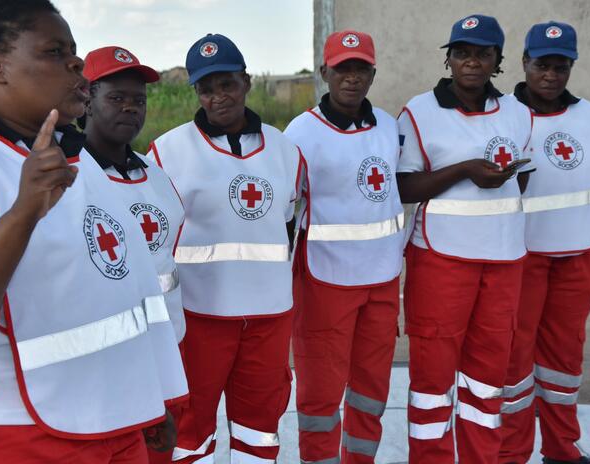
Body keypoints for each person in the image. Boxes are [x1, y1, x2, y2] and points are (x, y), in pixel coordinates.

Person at [0, 1, 184, 462]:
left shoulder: (79, 160)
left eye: (75, 51)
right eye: (53, 51)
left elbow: (125, 289)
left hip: (104, 416)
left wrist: (153, 396)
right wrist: (23, 214)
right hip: (2, 430)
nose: (75, 64)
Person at [148, 33, 304, 463]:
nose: (218, 97)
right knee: (191, 432)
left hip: (269, 318)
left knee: (260, 431)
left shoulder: (286, 150)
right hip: (200, 317)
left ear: (246, 81)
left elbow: (287, 226)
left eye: (227, 84)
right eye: (206, 88)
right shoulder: (167, 152)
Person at [396, 14, 534, 464]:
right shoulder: (419, 111)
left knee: (486, 376)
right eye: (462, 53)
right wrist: (463, 171)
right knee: (434, 379)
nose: (471, 62)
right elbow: (403, 187)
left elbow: (522, 181)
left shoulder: (517, 112)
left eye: (483, 54)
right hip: (442, 259)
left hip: (504, 258)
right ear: (449, 58)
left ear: (497, 61)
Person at [283, 30, 404, 464]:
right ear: (325, 74)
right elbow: (283, 209)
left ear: (372, 73)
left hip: (382, 280)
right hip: (325, 281)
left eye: (360, 69)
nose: (351, 78)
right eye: (342, 69)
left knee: (372, 393)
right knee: (320, 397)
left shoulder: (390, 127)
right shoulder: (300, 132)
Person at [498, 21, 590, 464]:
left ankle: (562, 449)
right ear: (524, 63)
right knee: (515, 359)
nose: (551, 75)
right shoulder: (503, 113)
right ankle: (511, 452)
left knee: (565, 358)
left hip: (578, 254)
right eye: (542, 65)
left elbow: (589, 175)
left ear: (571, 67)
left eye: (561, 66)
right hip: (521, 255)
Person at [80, 45, 188, 461]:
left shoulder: (157, 177)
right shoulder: (66, 176)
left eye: (138, 100)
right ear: (86, 100)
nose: (130, 108)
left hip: (164, 350)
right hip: (101, 362)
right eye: (116, 98)